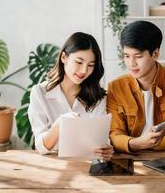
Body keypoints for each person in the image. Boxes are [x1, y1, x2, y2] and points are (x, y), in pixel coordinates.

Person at [107, 21, 165, 153]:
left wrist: (148, 144)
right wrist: (137, 143)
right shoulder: (115, 87)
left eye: (138, 56)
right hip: (132, 161)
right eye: (127, 56)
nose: (131, 63)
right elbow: (114, 136)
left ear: (155, 54)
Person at [28, 32, 113, 160]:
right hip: (53, 166)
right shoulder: (40, 93)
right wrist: (61, 123)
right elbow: (41, 147)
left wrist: (105, 148)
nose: (84, 70)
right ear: (64, 57)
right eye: (79, 62)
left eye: (90, 65)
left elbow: (101, 141)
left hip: (88, 165)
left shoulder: (98, 97)